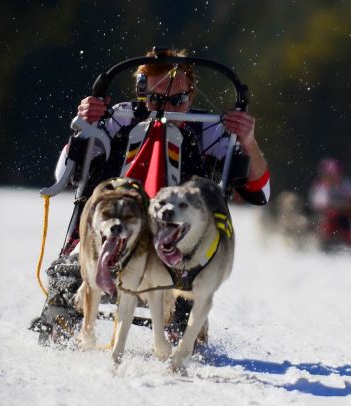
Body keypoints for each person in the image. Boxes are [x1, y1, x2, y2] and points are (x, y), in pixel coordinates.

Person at [30, 47, 271, 344]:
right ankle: (60, 331)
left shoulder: (209, 128)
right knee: (72, 267)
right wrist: (85, 124)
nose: (165, 107)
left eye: (177, 100)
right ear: (142, 93)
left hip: (177, 234)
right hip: (109, 226)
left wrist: (248, 141)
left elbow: (260, 192)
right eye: (155, 99)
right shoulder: (120, 117)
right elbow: (64, 173)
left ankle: (183, 333)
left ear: (191, 96)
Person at [308, 158, 351, 252]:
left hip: (344, 215)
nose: (332, 177)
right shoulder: (320, 186)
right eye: (329, 174)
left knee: (345, 221)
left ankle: (347, 243)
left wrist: (343, 207)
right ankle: (325, 242)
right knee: (327, 220)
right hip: (327, 216)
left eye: (335, 174)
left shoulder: (347, 184)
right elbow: (318, 204)